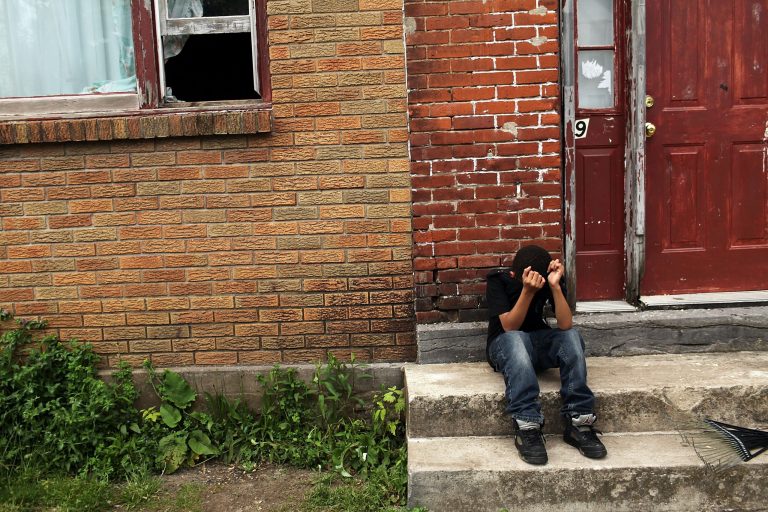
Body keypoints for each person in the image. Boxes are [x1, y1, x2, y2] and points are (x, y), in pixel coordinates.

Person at [485, 244, 607, 465]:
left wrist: (555, 286)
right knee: (516, 338)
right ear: (516, 274)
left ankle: (579, 421)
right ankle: (527, 425)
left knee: (571, 336)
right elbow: (510, 326)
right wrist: (527, 291)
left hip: (537, 345)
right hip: (505, 345)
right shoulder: (499, 281)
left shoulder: (547, 281)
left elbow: (565, 324)